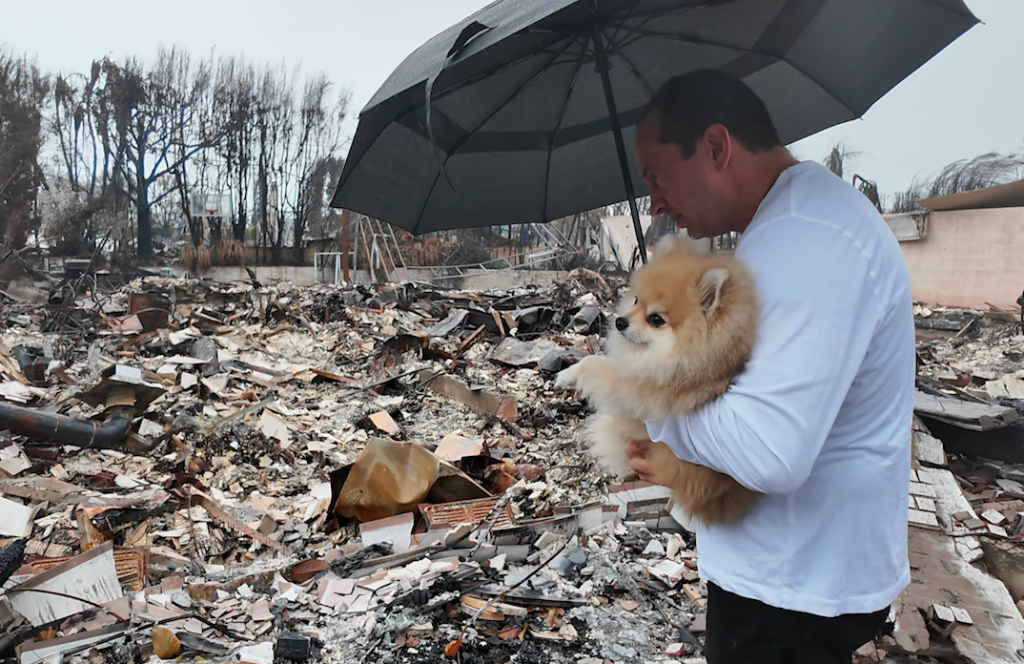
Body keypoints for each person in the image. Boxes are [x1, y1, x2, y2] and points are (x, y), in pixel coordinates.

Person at [625, 69, 914, 664]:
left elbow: (769, 450)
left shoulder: (805, 237)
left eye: (656, 176)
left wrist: (649, 402)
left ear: (715, 147)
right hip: (794, 577)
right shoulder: (792, 223)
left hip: (792, 592)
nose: (653, 201)